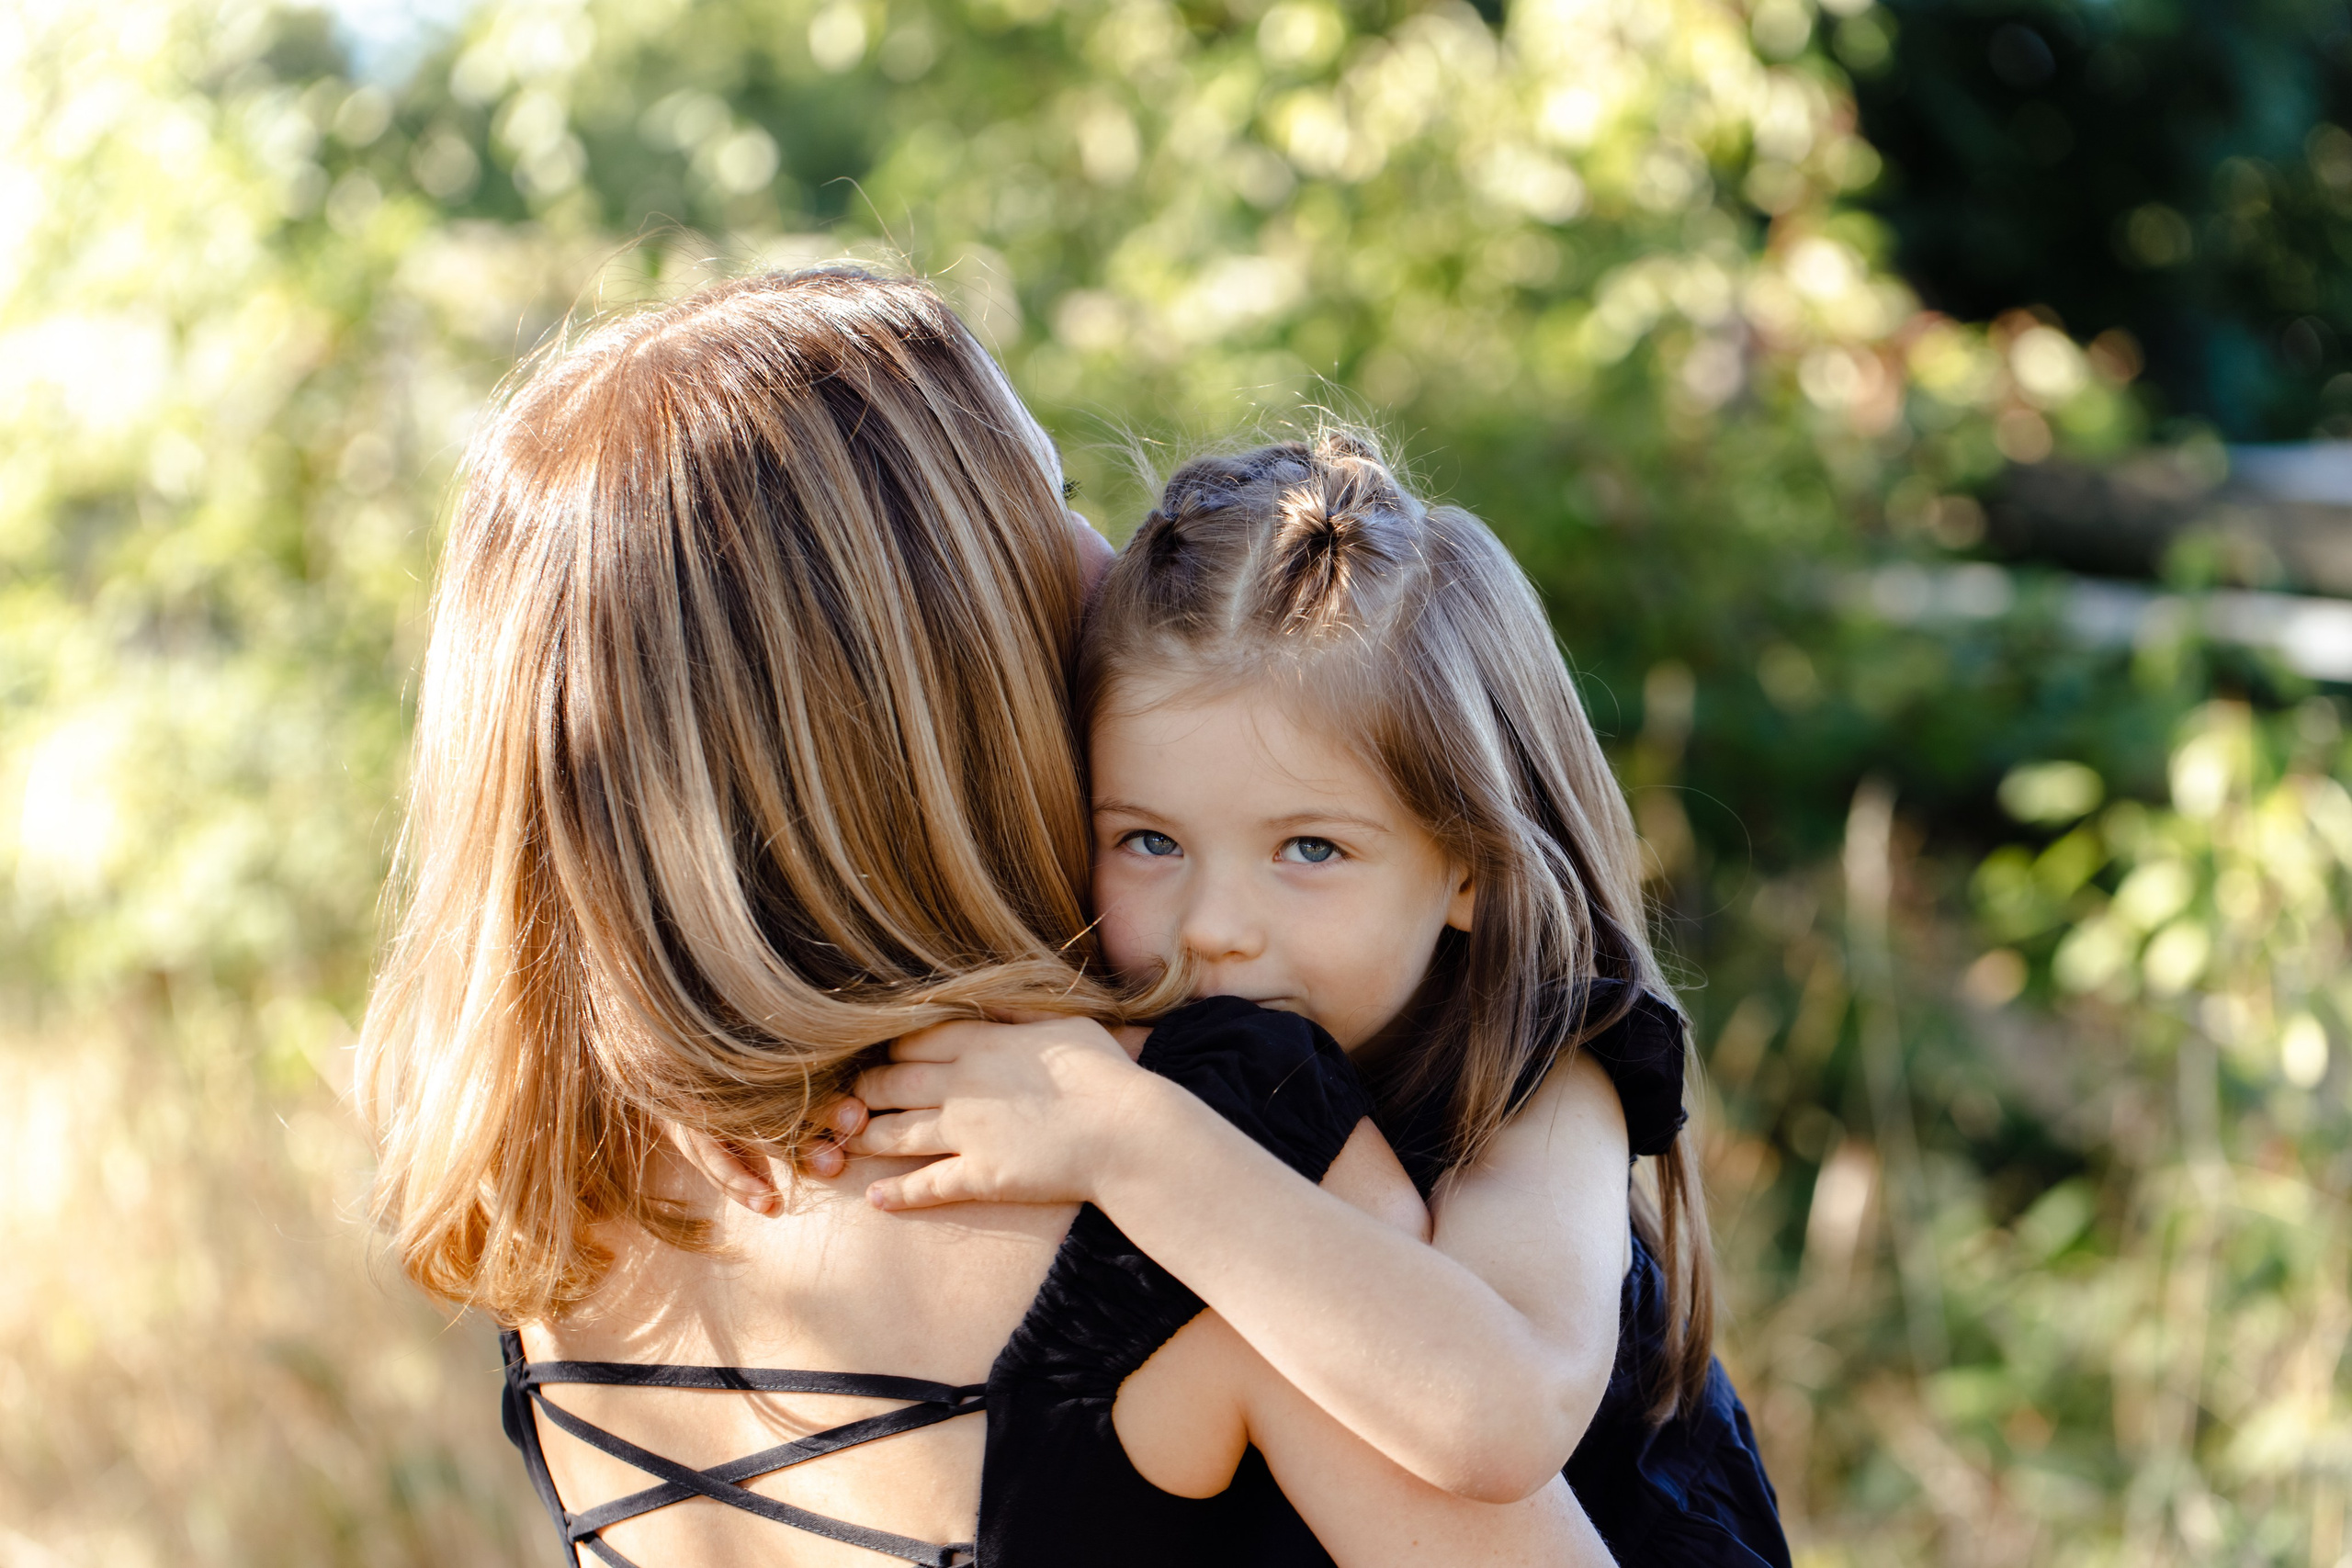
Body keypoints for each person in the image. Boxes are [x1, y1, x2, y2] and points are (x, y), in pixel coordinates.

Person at [356, 268, 1613, 1566]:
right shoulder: (1202, 1139)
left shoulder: (562, 1199)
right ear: (918, 657)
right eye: (1050, 499)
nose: (1106, 555)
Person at [844, 432, 1792, 1564]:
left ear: (1467, 870)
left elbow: (1497, 1417)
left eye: (1309, 849)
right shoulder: (1152, 1023)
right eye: (1148, 839)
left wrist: (1123, 1142)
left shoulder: (1542, 1076)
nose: (1213, 925)